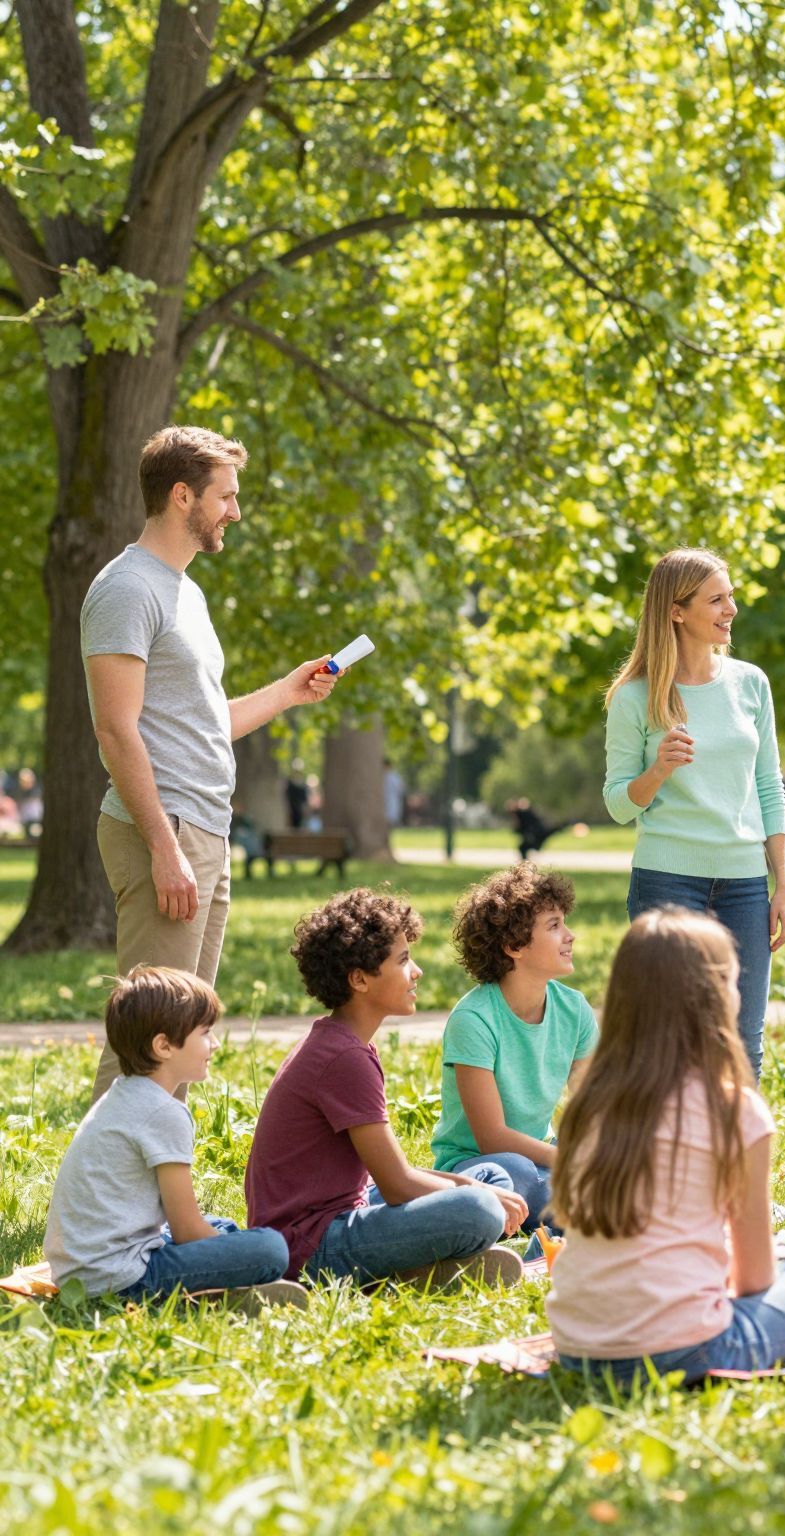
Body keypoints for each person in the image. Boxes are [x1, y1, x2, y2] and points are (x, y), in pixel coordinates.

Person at [82, 426, 345, 1103]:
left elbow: (203, 724)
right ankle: (101, 1206)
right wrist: (164, 848)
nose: (235, 511)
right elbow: (115, 730)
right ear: (181, 496)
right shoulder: (127, 589)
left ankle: (160, 1197)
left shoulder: (184, 592)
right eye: (225, 496)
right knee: (151, 1036)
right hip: (163, 828)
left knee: (186, 1032)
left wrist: (288, 691)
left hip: (201, 827)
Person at [548, 907, 785, 1383]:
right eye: (732, 979)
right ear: (712, 996)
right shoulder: (733, 1109)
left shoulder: (591, 1101)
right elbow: (754, 1282)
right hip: (688, 1352)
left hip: (577, 1350)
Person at [246, 890, 527, 1288]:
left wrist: (474, 1186)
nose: (417, 972)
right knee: (479, 1207)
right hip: (309, 1247)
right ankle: (410, 1269)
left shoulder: (346, 1042)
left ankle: (414, 1268)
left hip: (344, 1211)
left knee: (491, 1177)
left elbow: (394, 1176)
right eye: (403, 960)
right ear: (359, 979)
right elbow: (397, 1185)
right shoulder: (343, 1058)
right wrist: (475, 1196)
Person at [603, 548, 785, 1077]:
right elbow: (618, 805)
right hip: (667, 882)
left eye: (731, 596)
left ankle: (737, 1159)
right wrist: (658, 770)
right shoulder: (634, 697)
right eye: (717, 599)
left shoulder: (751, 683)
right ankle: (668, 1157)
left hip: (745, 884)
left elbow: (768, 788)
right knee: (667, 1043)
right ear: (676, 611)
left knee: (742, 1044)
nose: (731, 608)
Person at [43, 968, 302, 1306]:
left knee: (223, 1226)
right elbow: (187, 1231)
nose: (216, 1043)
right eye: (206, 1032)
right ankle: (219, 1294)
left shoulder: (124, 1093)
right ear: (163, 1045)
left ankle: (227, 1285)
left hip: (82, 1269)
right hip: (120, 1279)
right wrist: (241, 1254)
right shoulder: (163, 1113)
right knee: (269, 1249)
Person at [428, 865, 597, 1236]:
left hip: (543, 1162)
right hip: (480, 1166)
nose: (570, 936)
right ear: (514, 946)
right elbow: (492, 1136)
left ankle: (555, 1230)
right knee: (516, 1173)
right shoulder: (474, 1019)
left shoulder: (575, 1010)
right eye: (554, 926)